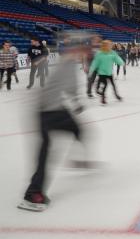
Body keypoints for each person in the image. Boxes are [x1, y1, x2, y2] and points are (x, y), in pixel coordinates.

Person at [18, 32, 90, 212]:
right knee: (48, 150)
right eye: (84, 49)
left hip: (49, 109)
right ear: (77, 49)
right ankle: (33, 193)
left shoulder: (66, 61)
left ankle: (77, 160)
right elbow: (70, 88)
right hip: (49, 111)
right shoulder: (67, 64)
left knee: (75, 131)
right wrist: (77, 102)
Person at [89, 40, 124, 104]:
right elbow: (95, 62)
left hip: (109, 72)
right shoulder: (99, 53)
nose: (110, 46)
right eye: (109, 45)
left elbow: (117, 59)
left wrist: (121, 63)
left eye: (110, 45)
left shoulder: (112, 52)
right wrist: (91, 69)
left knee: (113, 85)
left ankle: (116, 95)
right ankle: (103, 98)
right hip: (102, 73)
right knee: (105, 85)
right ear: (104, 46)